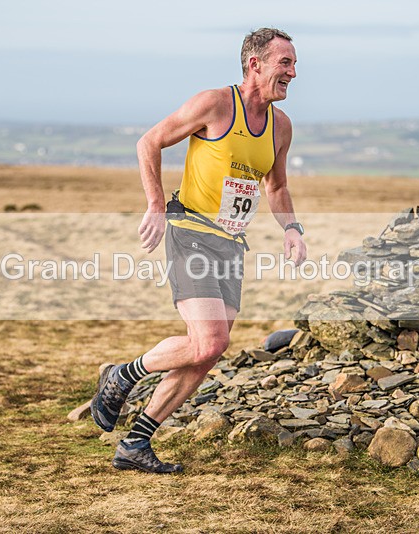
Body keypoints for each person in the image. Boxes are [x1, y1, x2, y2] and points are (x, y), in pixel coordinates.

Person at [91, 27, 307, 473]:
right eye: (284, 62)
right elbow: (149, 141)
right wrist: (154, 204)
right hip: (191, 231)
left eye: (294, 63)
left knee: (207, 350)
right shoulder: (214, 103)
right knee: (212, 339)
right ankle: (122, 375)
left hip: (231, 244)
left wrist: (291, 229)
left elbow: (277, 185)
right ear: (255, 64)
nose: (292, 72)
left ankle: (135, 443)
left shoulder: (281, 127)